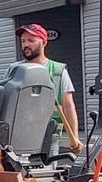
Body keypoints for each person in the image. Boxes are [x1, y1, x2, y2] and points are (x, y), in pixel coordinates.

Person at [17, 23, 82, 156]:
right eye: (23, 41)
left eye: (31, 40)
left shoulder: (58, 71)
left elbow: (68, 106)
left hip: (49, 138)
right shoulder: (14, 70)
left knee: (48, 174)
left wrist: (74, 137)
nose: (25, 45)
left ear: (44, 42)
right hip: (19, 137)